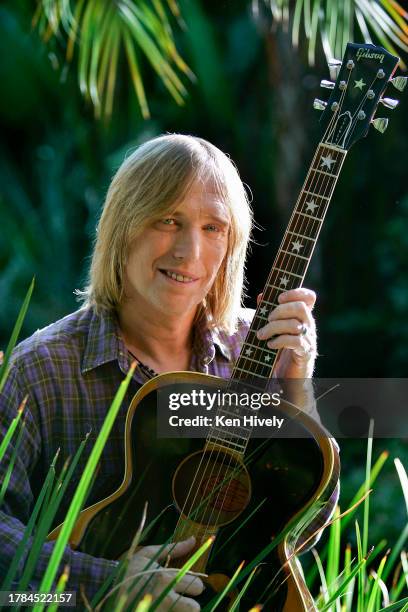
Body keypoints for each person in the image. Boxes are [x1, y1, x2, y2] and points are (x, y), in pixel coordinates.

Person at [0, 134, 338, 610]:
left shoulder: (256, 346)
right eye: (168, 220)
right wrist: (106, 582)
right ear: (124, 226)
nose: (189, 251)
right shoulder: (42, 369)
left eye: (213, 227)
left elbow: (305, 527)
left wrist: (296, 388)